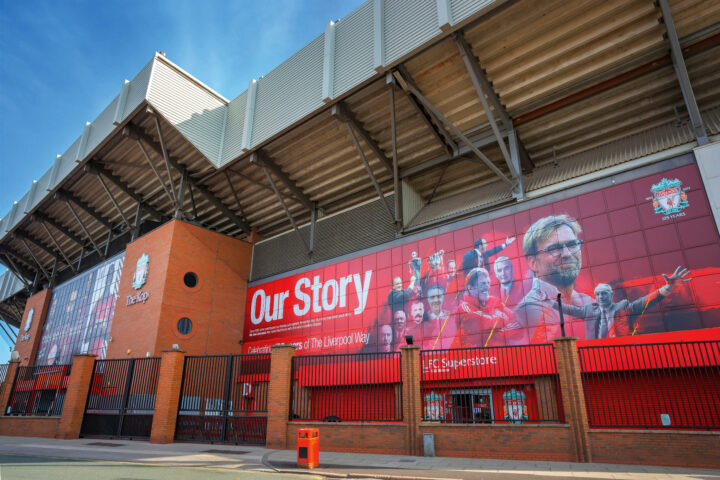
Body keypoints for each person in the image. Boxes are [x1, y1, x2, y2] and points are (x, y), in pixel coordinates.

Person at [515, 214, 593, 342]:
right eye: (555, 249)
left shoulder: (587, 301)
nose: (567, 254)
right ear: (533, 262)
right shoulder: (531, 308)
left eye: (572, 245)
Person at [554, 267, 692, 338]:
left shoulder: (623, 307)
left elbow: (645, 301)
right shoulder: (588, 310)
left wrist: (667, 287)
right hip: (596, 354)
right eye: (598, 294)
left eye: (604, 293)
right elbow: (567, 309)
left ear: (612, 295)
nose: (600, 296)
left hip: (622, 350)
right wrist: (547, 301)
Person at [451, 268, 523, 348]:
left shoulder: (495, 301)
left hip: (503, 357)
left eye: (488, 283)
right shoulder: (464, 308)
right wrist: (503, 319)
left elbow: (519, 328)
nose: (487, 287)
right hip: (480, 359)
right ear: (470, 288)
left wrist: (494, 331)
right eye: (482, 284)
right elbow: (483, 324)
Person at [422, 284, 455, 350]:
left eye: (439, 297)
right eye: (432, 297)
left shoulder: (451, 317)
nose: (436, 300)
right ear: (428, 300)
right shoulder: (423, 320)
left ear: (443, 298)